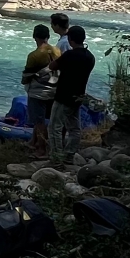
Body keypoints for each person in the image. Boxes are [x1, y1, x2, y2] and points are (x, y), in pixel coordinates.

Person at [47, 25, 95, 165]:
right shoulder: (89, 57)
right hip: (78, 96)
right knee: (74, 128)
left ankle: (56, 158)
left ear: (70, 39)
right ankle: (69, 155)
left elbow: (52, 66)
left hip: (63, 96)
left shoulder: (69, 55)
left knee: (55, 127)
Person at [20, 24, 59, 155]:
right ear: (48, 36)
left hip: (38, 93)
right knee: (50, 119)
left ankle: (41, 149)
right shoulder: (57, 51)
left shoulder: (34, 55)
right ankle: (35, 142)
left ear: (34, 37)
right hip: (54, 90)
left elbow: (26, 76)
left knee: (39, 121)